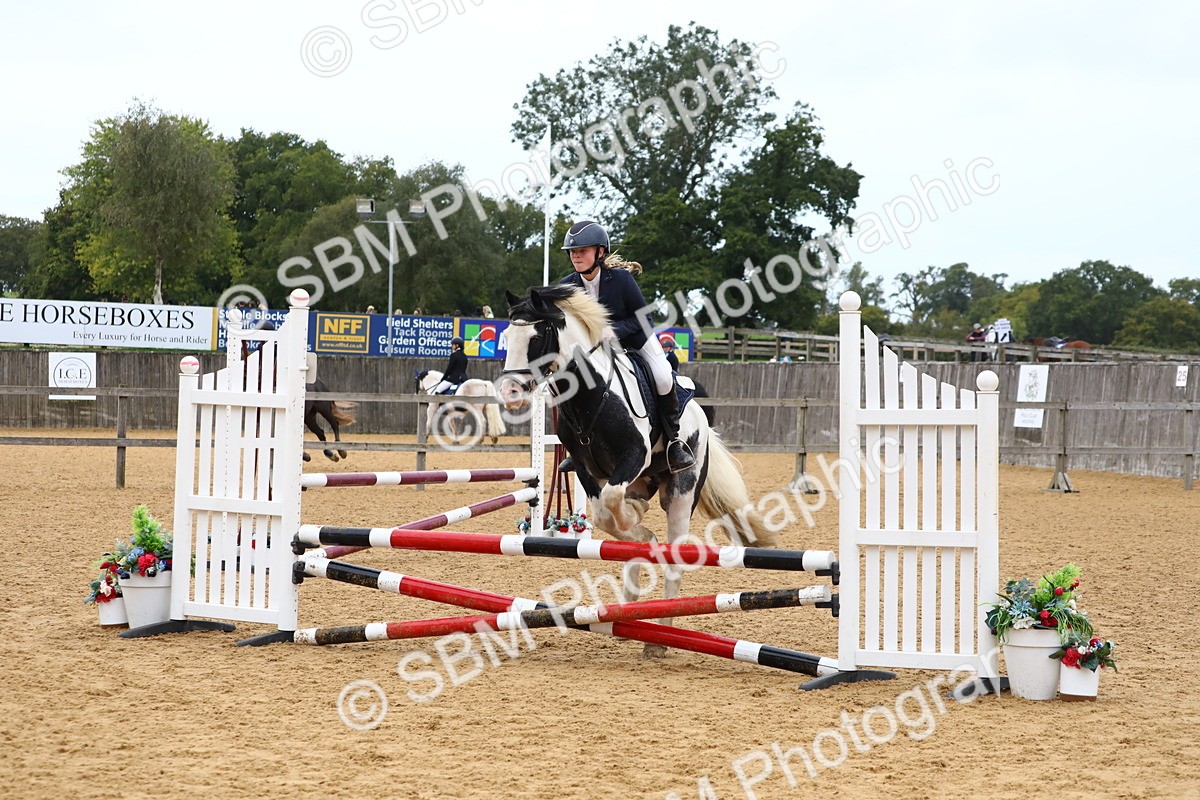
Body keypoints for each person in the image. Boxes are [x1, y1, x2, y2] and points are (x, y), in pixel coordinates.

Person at [555, 219, 694, 473]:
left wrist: (615, 330)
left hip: (636, 340)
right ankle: (579, 449)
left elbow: (644, 318)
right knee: (576, 382)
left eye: (582, 251)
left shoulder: (621, 279)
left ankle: (673, 442)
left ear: (600, 252)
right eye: (572, 252)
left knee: (663, 377)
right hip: (597, 349)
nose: (576, 256)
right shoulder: (568, 286)